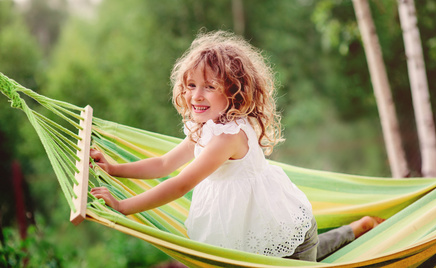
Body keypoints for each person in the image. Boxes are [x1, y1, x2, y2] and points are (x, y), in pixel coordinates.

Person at [90, 30, 383, 261]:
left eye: (210, 87)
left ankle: (358, 230)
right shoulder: (204, 128)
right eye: (191, 86)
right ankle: (358, 228)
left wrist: (124, 206)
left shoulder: (228, 138)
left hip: (287, 230)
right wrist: (114, 169)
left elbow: (179, 184)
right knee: (309, 254)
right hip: (253, 233)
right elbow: (164, 164)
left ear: (233, 91)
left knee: (305, 256)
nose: (197, 96)